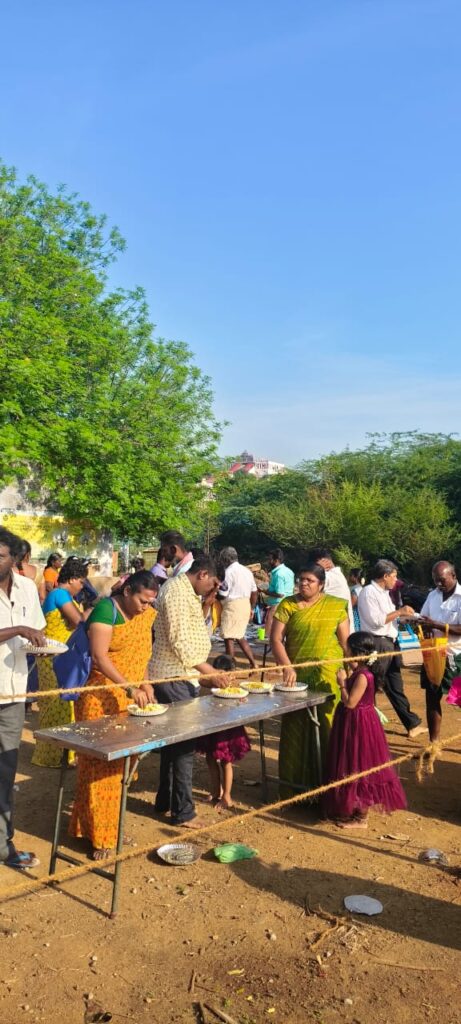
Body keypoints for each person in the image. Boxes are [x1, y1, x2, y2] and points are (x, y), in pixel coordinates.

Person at [69, 570, 158, 860]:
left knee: (122, 770)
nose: (145, 607)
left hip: (131, 699)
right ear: (127, 591)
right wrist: (130, 687)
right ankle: (100, 837)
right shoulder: (107, 611)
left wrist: (145, 683)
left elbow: (141, 655)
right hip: (100, 698)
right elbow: (100, 656)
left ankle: (111, 828)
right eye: (143, 601)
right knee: (99, 769)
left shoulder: (146, 615)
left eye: (150, 602)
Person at [147, 554, 227, 828]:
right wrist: (209, 671)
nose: (214, 589)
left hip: (183, 675)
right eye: (213, 583)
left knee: (173, 745)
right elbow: (179, 640)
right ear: (203, 574)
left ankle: (165, 800)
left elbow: (191, 632)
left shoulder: (188, 592)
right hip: (173, 676)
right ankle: (183, 812)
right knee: (183, 749)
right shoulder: (176, 591)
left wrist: (207, 604)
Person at [270, 564, 350, 793]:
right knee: (295, 728)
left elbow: (345, 642)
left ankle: (329, 790)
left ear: (321, 584)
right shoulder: (288, 604)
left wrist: (353, 668)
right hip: (297, 678)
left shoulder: (336, 605)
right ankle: (296, 789)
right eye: (301, 579)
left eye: (310, 580)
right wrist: (287, 667)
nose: (303, 584)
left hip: (329, 675)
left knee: (327, 726)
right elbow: (276, 639)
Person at [323, 632, 407, 827]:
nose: (347, 652)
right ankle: (354, 810)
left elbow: (351, 703)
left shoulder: (363, 676)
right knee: (351, 763)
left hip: (359, 724)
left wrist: (341, 684)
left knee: (360, 764)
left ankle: (361, 818)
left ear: (358, 652)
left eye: (349, 649)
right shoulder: (360, 670)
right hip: (353, 722)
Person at [0, 527, 46, 870]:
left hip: (13, 692)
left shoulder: (28, 588)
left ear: (15, 559)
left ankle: (3, 844)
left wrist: (40, 645)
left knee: (6, 769)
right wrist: (18, 630)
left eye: (0, 555)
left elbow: (37, 629)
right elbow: (23, 629)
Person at [357, 559, 425, 738]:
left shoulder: (384, 593)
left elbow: (390, 618)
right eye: (394, 576)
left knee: (395, 685)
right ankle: (365, 723)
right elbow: (376, 621)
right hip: (377, 643)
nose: (396, 580)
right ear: (385, 576)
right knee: (372, 684)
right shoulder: (368, 592)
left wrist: (410, 617)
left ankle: (412, 724)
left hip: (389, 642)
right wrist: (400, 612)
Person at [32, 557, 89, 768]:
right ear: (72, 579)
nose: (82, 586)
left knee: (63, 705)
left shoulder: (64, 595)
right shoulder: (60, 594)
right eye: (81, 582)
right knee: (56, 705)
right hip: (52, 657)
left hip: (60, 656)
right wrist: (93, 609)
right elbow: (78, 621)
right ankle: (51, 756)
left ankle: (62, 755)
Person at [196, 654, 251, 810]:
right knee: (210, 759)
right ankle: (215, 791)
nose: (222, 679)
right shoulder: (211, 685)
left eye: (226, 675)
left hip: (228, 731)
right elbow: (200, 680)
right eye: (218, 674)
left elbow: (243, 704)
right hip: (212, 726)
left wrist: (241, 700)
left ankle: (227, 796)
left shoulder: (237, 690)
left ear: (232, 674)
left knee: (226, 762)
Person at [419, 560, 461, 742]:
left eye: (442, 580)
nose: (438, 584)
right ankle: (433, 743)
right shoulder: (433, 595)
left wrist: (435, 624)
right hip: (432, 655)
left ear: (453, 575)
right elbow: (424, 617)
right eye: (435, 580)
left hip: (454, 656)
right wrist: (422, 625)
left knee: (459, 699)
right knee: (432, 698)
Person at [218, 547, 258, 669]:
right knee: (240, 636)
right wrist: (252, 608)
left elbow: (223, 594)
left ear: (226, 559)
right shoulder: (247, 571)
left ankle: (230, 668)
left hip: (233, 606)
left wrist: (213, 595)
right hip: (245, 604)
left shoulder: (228, 572)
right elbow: (254, 592)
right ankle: (253, 663)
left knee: (229, 637)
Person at [309, 548, 355, 631]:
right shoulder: (338, 575)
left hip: (335, 631)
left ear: (325, 562)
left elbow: (306, 592)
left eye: (315, 566)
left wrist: (317, 570)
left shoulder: (328, 577)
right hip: (343, 629)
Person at [263, 549, 295, 637]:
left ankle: (269, 640)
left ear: (276, 560)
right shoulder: (289, 571)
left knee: (270, 629)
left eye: (270, 559)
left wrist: (266, 592)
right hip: (288, 602)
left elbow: (280, 594)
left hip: (278, 603)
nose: (268, 562)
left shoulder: (278, 574)